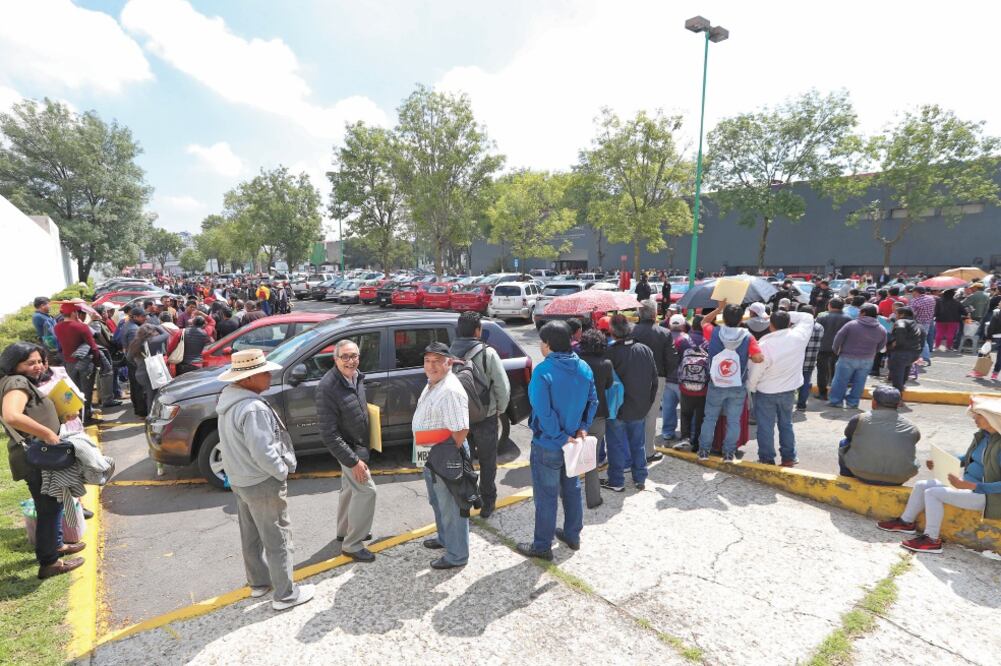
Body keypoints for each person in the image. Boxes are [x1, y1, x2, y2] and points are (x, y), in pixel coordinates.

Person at [216, 349, 313, 609]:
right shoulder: (253, 407)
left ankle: (259, 583)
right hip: (261, 482)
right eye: (264, 373)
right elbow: (263, 451)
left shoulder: (229, 400)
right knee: (278, 538)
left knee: (251, 535)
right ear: (249, 378)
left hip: (240, 479)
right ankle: (285, 594)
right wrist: (281, 471)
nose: (269, 376)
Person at [0, 342, 86, 579]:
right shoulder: (16, 383)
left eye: (39, 361)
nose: (37, 366)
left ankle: (56, 546)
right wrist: (48, 434)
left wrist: (59, 416)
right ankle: (50, 563)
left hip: (42, 455)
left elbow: (30, 413)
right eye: (30, 363)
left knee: (53, 503)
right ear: (14, 365)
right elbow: (12, 415)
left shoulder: (21, 382)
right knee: (48, 507)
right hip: (37, 457)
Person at [876, 395, 1001, 553]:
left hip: (987, 497)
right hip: (967, 485)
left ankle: (932, 540)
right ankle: (906, 523)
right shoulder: (983, 436)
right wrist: (941, 462)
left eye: (979, 415)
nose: (974, 418)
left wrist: (972, 485)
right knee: (921, 485)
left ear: (992, 419)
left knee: (933, 494)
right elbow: (968, 457)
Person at [518, 321, 597, 560]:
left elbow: (543, 411)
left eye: (542, 342)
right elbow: (592, 401)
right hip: (573, 441)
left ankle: (542, 546)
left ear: (549, 344)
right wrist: (582, 428)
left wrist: (561, 436)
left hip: (549, 444)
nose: (541, 346)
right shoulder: (584, 367)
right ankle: (573, 535)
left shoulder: (543, 371)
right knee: (572, 490)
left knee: (546, 497)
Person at [315, 339, 377, 562]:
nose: (351, 361)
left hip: (358, 445)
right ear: (336, 359)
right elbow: (329, 434)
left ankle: (345, 532)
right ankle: (352, 543)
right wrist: (353, 461)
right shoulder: (327, 387)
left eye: (355, 356)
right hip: (348, 450)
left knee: (349, 490)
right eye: (346, 357)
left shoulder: (357, 376)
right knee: (367, 491)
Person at [413, 342, 471, 570]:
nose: (431, 365)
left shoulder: (450, 390)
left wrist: (445, 460)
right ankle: (445, 538)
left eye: (437, 361)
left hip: (444, 456)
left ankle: (457, 555)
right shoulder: (433, 383)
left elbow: (461, 430)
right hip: (429, 452)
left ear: (449, 363)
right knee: (437, 501)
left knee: (451, 507)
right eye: (428, 361)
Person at [448, 311, 510, 518]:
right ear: (478, 330)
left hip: (459, 418)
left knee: (464, 462)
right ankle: (487, 503)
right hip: (485, 416)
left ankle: (465, 502)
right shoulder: (487, 353)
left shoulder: (448, 353)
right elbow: (502, 386)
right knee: (487, 460)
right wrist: (499, 408)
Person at [696, 301, 764, 462]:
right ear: (742, 319)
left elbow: (703, 322)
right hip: (737, 385)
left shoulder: (714, 332)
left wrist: (718, 308)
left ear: (723, 318)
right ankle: (728, 453)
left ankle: (704, 451)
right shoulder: (748, 337)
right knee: (733, 421)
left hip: (716, 383)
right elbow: (758, 358)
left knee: (710, 418)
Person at [747, 308, 815, 466]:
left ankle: (766, 458)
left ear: (770, 325)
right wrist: (785, 315)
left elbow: (756, 370)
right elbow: (807, 317)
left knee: (765, 426)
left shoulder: (764, 345)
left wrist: (751, 387)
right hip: (789, 390)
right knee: (786, 424)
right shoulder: (799, 336)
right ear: (789, 323)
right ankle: (789, 457)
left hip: (766, 391)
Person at [601, 314, 658, 492]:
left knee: (615, 445)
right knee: (637, 444)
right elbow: (654, 380)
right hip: (639, 408)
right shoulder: (645, 350)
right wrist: (648, 403)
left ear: (611, 331)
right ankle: (640, 478)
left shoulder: (609, 353)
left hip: (616, 409)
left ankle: (617, 480)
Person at [838, 386, 919, 485]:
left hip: (863, 474)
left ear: (874, 403)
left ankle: (847, 479)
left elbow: (848, 435)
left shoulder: (859, 419)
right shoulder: (912, 426)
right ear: (898, 404)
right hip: (899, 478)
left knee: (844, 443)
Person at [630, 301, 673, 457]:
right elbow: (671, 359)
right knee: (651, 415)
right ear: (655, 314)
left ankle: (633, 450)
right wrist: (665, 373)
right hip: (657, 377)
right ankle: (648, 451)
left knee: (634, 414)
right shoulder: (664, 333)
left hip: (633, 378)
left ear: (640, 314)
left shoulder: (631, 331)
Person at [578, 328, 613, 509]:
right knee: (592, 460)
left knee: (571, 457)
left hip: (577, 416)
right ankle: (593, 498)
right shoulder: (606, 363)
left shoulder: (577, 362)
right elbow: (608, 384)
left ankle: (567, 494)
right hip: (599, 415)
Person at [828, 304, 887, 409]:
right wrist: (872, 353)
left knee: (840, 380)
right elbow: (882, 345)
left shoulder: (851, 324)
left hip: (847, 357)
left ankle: (836, 401)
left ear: (863, 312)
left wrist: (836, 351)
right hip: (867, 359)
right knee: (859, 382)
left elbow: (838, 338)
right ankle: (853, 403)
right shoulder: (881, 329)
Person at [53, 301, 102, 425]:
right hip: (85, 363)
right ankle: (87, 417)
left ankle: (78, 417)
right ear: (74, 312)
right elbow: (93, 347)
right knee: (86, 391)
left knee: (75, 391)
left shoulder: (57, 327)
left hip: (69, 363)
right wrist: (97, 362)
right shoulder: (82, 327)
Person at [674, 315, 709, 451]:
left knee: (685, 413)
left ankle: (685, 438)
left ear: (692, 326)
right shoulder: (708, 343)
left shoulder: (682, 340)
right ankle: (697, 443)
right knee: (700, 416)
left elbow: (675, 359)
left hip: (685, 386)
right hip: (702, 388)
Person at [126, 322, 169, 417]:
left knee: (149, 394)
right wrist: (156, 326)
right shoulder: (153, 341)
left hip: (140, 373)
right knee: (152, 396)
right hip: (152, 373)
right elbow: (166, 334)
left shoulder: (134, 343)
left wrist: (139, 364)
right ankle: (152, 416)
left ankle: (150, 414)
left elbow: (129, 358)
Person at [886, 307, 925, 394]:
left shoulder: (901, 322)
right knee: (903, 376)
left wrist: (895, 344)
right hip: (913, 354)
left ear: (902, 315)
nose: (895, 316)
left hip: (901, 353)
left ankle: (897, 398)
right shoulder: (918, 325)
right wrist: (918, 353)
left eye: (896, 314)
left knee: (897, 377)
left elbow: (900, 328)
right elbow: (922, 342)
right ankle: (900, 393)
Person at [797, 304, 824, 412]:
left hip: (796, 360)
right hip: (810, 360)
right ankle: (801, 405)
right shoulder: (819, 327)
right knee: (806, 382)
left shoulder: (797, 327)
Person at [909, 286, 937, 366]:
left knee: (919, 341)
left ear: (916, 292)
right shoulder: (931, 299)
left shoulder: (916, 301)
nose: (912, 294)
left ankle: (924, 358)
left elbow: (911, 313)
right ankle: (924, 358)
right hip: (927, 322)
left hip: (918, 323)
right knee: (923, 341)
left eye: (913, 292)